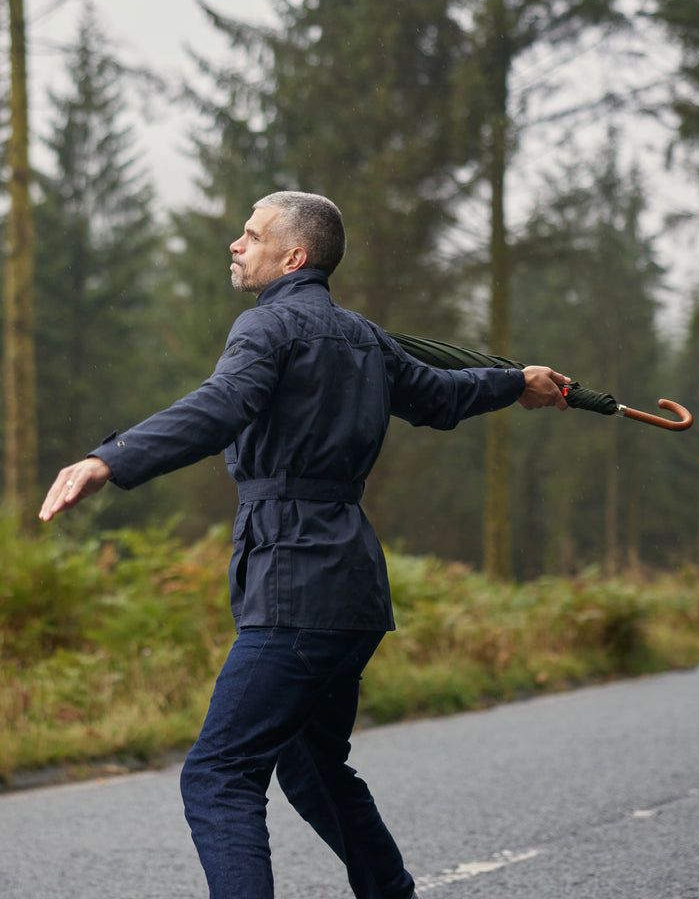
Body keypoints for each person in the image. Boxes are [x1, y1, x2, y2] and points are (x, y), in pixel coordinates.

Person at [39, 191, 570, 899]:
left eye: (251, 234)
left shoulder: (267, 331)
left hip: (297, 583)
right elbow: (440, 397)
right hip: (352, 589)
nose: (235, 243)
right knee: (313, 764)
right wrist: (516, 382)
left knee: (218, 775)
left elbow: (222, 406)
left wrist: (113, 458)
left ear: (294, 256)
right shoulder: (365, 338)